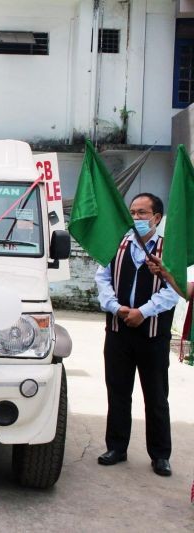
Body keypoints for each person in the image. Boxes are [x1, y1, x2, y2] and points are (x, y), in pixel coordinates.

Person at [94, 193, 179, 477]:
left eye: (142, 213)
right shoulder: (117, 244)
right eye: (133, 213)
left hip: (153, 334)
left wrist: (143, 311)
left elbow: (173, 291)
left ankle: (160, 455)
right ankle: (116, 447)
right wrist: (117, 307)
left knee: (155, 396)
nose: (136, 219)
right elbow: (102, 278)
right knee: (118, 391)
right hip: (118, 331)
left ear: (157, 218)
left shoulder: (170, 251)